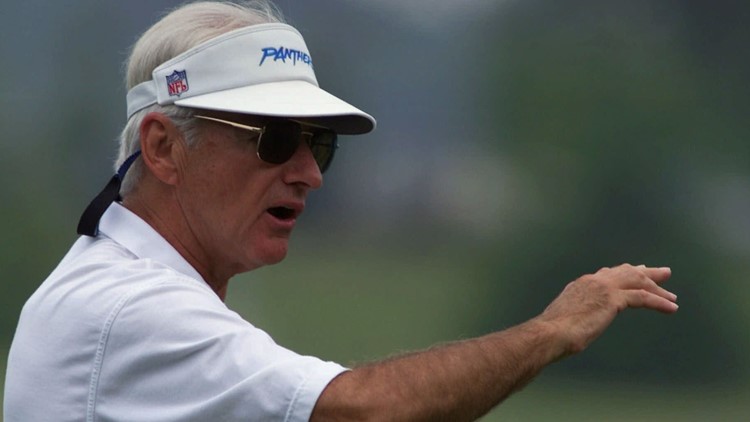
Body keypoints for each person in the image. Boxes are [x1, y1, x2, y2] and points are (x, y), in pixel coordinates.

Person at [3, 1, 679, 421]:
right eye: (272, 140)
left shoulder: (125, 287)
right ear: (162, 147)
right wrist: (552, 331)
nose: (307, 174)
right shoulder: (130, 308)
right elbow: (362, 413)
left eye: (316, 145)